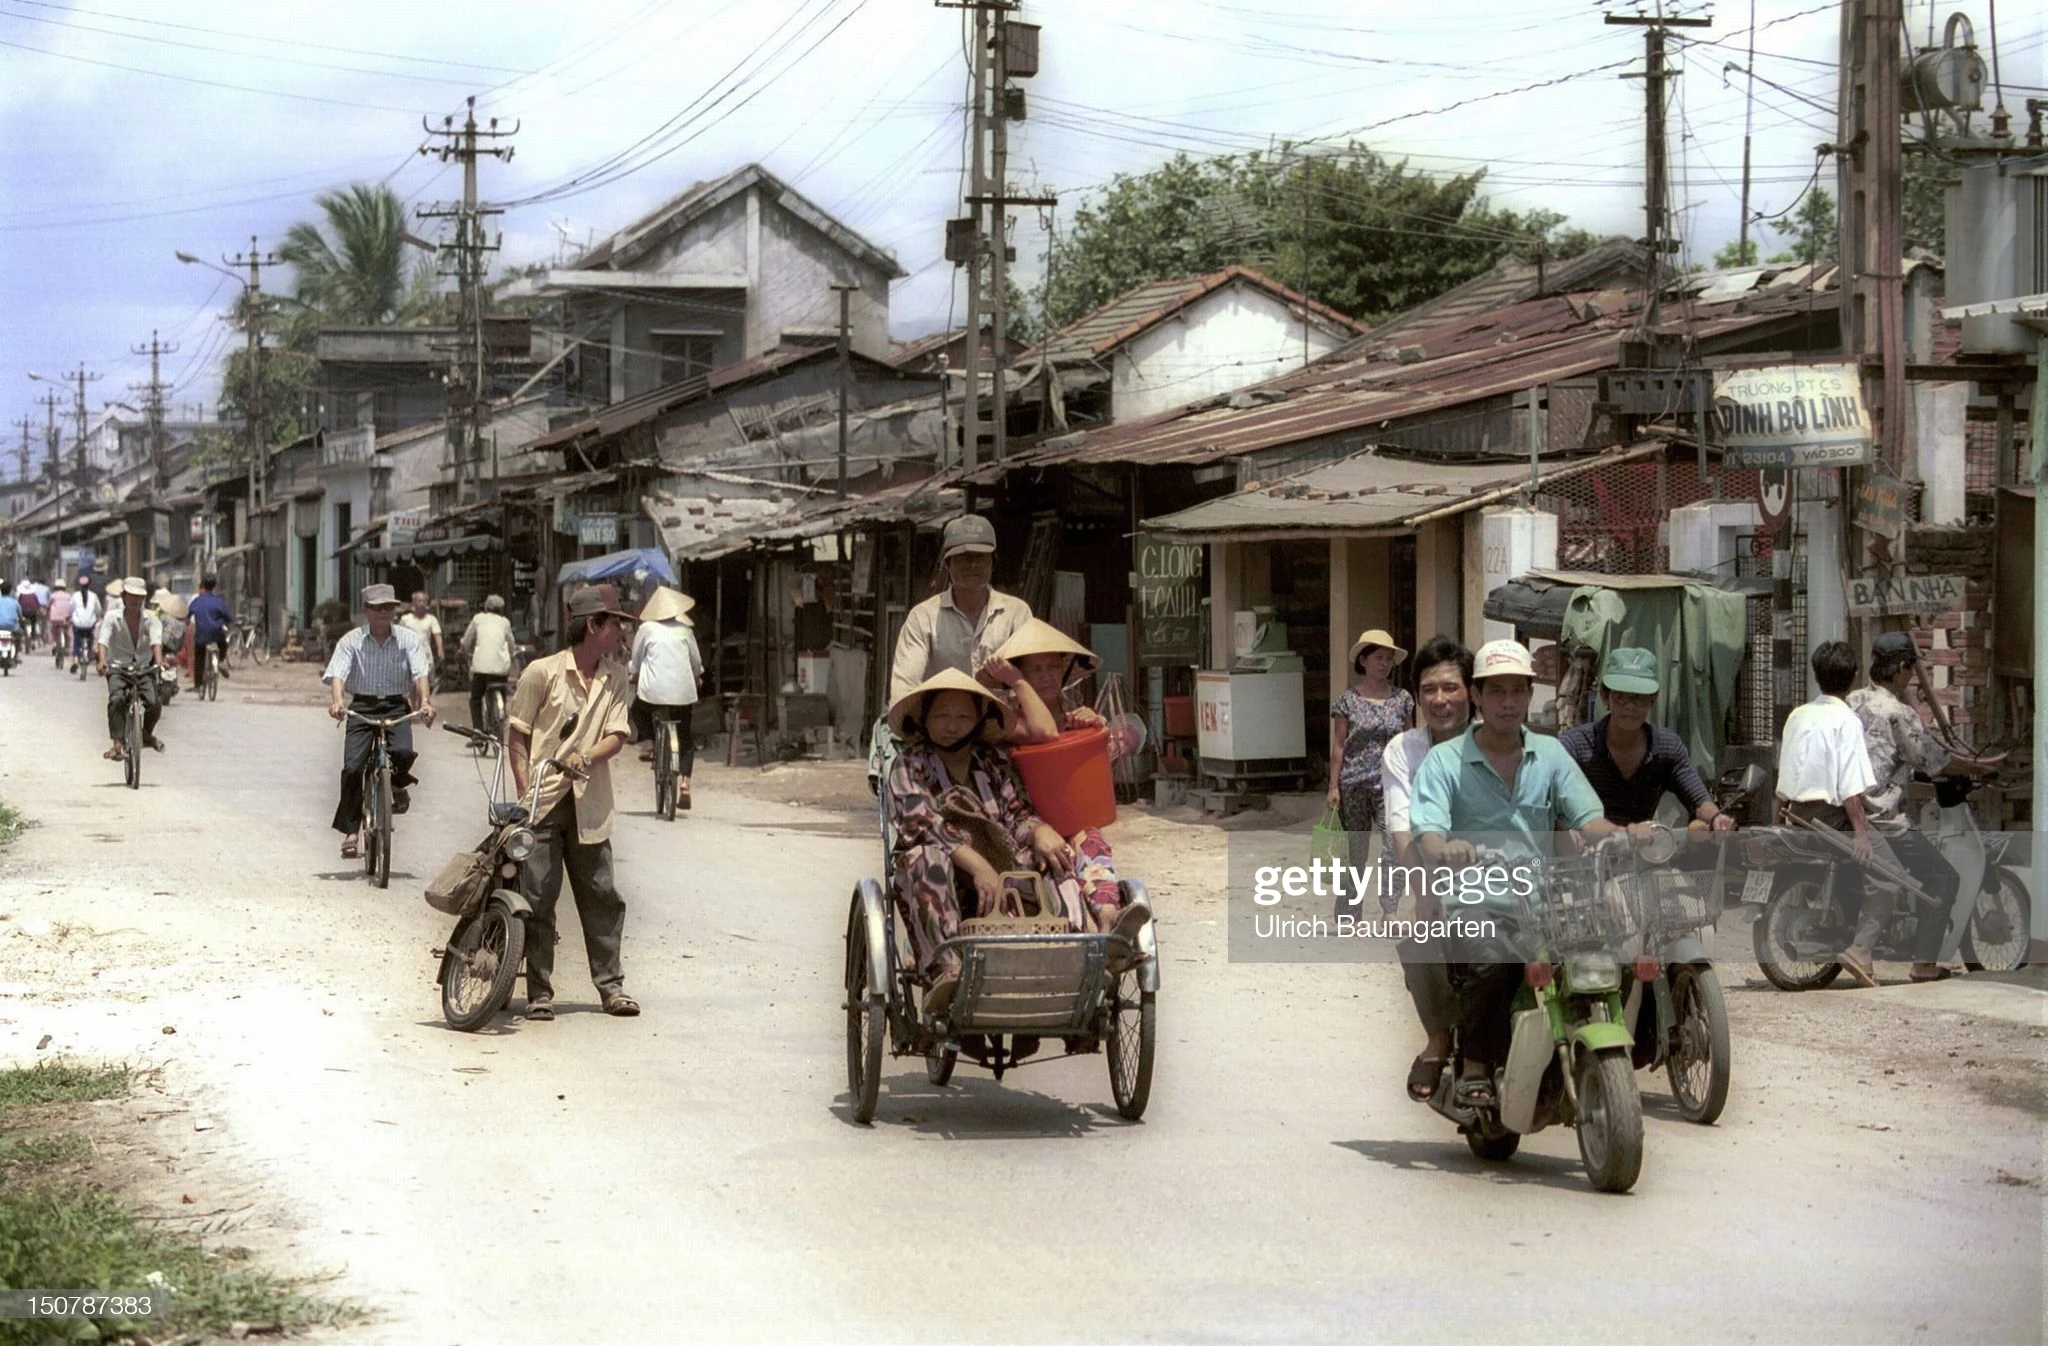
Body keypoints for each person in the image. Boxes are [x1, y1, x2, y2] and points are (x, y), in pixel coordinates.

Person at [1409, 639, 1620, 1106]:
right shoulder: (1445, 762)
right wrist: (1448, 848)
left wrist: (1626, 834)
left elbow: (1588, 818)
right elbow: (1427, 833)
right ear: (1478, 697)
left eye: (1518, 691)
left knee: (1607, 947)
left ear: (1530, 696)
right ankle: (1476, 1063)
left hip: (1544, 899)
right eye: (1496, 691)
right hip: (1474, 896)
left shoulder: (1551, 755)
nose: (1508, 702)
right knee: (1491, 953)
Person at [884, 669, 1144, 1017]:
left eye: (963, 716)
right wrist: (978, 867)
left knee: (1055, 857)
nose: (952, 725)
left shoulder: (990, 762)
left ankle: (1086, 949)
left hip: (1001, 870)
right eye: (942, 715)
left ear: (979, 720)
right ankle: (946, 969)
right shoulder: (908, 765)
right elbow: (923, 825)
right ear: (924, 719)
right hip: (942, 876)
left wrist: (1039, 832)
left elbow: (1017, 814)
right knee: (925, 857)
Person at [507, 583, 639, 1020]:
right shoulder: (540, 673)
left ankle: (611, 987)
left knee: (602, 894)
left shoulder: (616, 677)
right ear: (593, 625)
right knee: (539, 897)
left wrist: (587, 755)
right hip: (544, 801)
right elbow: (518, 735)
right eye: (615, 623)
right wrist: (526, 791)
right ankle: (539, 992)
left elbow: (618, 734)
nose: (621, 631)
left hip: (591, 801)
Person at [1847, 631, 2002, 983]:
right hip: (1883, 817)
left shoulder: (1853, 700)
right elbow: (1937, 761)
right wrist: (1981, 768)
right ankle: (1924, 963)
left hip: (1850, 807)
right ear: (1902, 668)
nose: (1913, 677)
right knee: (1943, 877)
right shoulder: (1898, 714)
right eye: (1912, 670)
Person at [1774, 639, 1903, 988]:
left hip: (1796, 814)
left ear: (1816, 675)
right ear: (1854, 677)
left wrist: (1779, 816)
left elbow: (1785, 772)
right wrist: (1861, 834)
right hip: (1832, 818)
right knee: (1889, 876)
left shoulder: (1798, 715)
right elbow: (1850, 789)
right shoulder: (1846, 720)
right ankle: (1861, 949)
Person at [1379, 635, 1475, 1102]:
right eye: (1429, 690)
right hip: (1434, 869)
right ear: (1416, 697)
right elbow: (1402, 829)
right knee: (1417, 934)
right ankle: (1438, 1035)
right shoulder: (1403, 750)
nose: (1440, 700)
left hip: (1500, 868)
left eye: (1451, 688)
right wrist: (1424, 894)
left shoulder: (1498, 742)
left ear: (1472, 692)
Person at [981, 618, 1122, 932]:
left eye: (1052, 667)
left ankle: (1109, 915)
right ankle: (1081, 925)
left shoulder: (1076, 718)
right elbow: (1043, 733)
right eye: (1035, 670)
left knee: (1092, 841)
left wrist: (1097, 727)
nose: (1045, 676)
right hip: (1023, 825)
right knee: (1058, 861)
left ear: (1065, 671)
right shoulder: (1005, 722)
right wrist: (1016, 680)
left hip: (1071, 821)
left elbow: (1096, 773)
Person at [1559, 648, 1734, 832]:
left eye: (1639, 698)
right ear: (1605, 696)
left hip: (1644, 851)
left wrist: (1716, 818)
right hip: (1583, 851)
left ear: (1652, 700)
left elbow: (1699, 800)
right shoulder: (1574, 746)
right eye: (1621, 696)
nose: (1630, 706)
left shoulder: (1668, 748)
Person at [324, 583, 435, 861]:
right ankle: (352, 832)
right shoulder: (351, 641)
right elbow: (338, 674)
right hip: (362, 704)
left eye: (389, 607)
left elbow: (420, 673)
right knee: (352, 768)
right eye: (378, 608)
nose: (385, 612)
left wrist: (425, 703)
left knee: (402, 752)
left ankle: (395, 785)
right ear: (366, 611)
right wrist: (337, 702)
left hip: (396, 704)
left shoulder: (408, 639)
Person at [886, 515, 1034, 706]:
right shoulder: (923, 618)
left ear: (992, 562)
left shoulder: (1016, 613)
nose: (972, 564)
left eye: (979, 556)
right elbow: (905, 687)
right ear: (947, 564)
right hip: (945, 727)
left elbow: (1034, 677)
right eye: (963, 557)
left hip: (1007, 726)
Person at [1326, 628, 1414, 914]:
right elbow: (1339, 745)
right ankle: (1350, 911)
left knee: (1394, 846)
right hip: (1354, 784)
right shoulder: (1348, 701)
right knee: (1356, 850)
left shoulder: (1402, 700)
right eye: (1378, 657)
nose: (1384, 663)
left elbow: (1409, 741)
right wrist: (1333, 786)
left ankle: (1390, 910)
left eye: (1388, 658)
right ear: (1363, 661)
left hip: (1391, 785)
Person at [627, 587, 703, 804]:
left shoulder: (646, 629)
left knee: (637, 710)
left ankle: (650, 741)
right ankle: (685, 784)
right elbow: (696, 663)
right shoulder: (685, 630)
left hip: (653, 693)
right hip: (683, 694)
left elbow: (637, 659)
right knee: (685, 736)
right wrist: (697, 677)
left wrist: (633, 673)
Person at [95, 577, 165, 760]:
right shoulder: (112, 618)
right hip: (118, 667)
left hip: (143, 668)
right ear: (124, 597)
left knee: (154, 702)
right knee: (116, 699)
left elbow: (156, 642)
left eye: (139, 597)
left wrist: (159, 662)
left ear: (144, 600)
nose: (135, 601)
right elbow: (103, 641)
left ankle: (146, 734)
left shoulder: (151, 619)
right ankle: (117, 744)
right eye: (131, 596)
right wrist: (102, 661)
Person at [460, 593, 517, 734]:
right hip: (500, 669)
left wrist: (464, 651)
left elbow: (467, 641)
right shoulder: (505, 622)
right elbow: (511, 644)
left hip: (481, 668)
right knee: (501, 690)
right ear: (502, 609)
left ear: (486, 607)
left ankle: (478, 731)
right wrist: (512, 655)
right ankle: (501, 717)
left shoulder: (478, 619)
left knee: (475, 699)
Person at [188, 575, 234, 690]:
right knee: (223, 643)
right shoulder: (218, 601)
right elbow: (228, 617)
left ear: (203, 586)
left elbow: (187, 614)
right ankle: (221, 660)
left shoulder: (197, 601)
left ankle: (198, 685)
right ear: (214, 586)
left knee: (199, 656)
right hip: (216, 633)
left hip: (201, 635)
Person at [398, 591, 444, 675]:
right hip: (409, 658)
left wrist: (440, 650)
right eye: (419, 601)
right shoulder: (405, 619)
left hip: (426, 657)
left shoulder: (431, 619)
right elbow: (399, 637)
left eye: (424, 601)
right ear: (413, 603)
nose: (422, 604)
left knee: (426, 685)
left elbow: (437, 635)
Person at [69, 574, 102, 676]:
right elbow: (98, 610)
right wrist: (97, 617)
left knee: (76, 641)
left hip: (77, 624)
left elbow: (70, 609)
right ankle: (89, 651)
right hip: (89, 625)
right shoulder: (94, 596)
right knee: (90, 638)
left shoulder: (75, 596)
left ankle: (75, 660)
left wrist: (71, 617)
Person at [45, 582, 72, 660]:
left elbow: (48, 606)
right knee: (67, 633)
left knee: (53, 631)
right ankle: (67, 648)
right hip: (66, 618)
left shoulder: (53, 595)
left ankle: (54, 644)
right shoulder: (68, 596)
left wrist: (47, 614)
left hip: (55, 617)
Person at [14, 580, 37, 650]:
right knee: (33, 624)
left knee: (21, 624)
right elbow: (37, 603)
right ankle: (33, 640)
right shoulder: (33, 595)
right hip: (33, 612)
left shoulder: (21, 595)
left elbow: (18, 604)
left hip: (23, 612)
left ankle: (21, 641)